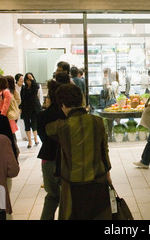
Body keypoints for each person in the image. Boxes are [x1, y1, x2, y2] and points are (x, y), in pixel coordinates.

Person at [46, 83, 113, 220]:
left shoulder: (61, 127)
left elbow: (47, 129)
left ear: (63, 105)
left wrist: (51, 107)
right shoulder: (98, 122)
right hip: (97, 178)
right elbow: (104, 151)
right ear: (81, 100)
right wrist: (107, 175)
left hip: (72, 184)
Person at [37, 79, 66, 220]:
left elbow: (43, 138)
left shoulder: (42, 116)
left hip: (48, 158)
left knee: (52, 196)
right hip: (67, 158)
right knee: (68, 197)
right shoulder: (67, 116)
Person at [20, 72, 43, 148]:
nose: (28, 81)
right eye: (27, 80)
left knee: (34, 124)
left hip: (34, 109)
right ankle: (29, 141)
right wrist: (20, 108)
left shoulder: (35, 87)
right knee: (27, 125)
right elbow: (22, 99)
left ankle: (36, 139)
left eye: (30, 80)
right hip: (26, 108)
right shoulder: (23, 88)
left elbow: (36, 87)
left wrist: (32, 79)